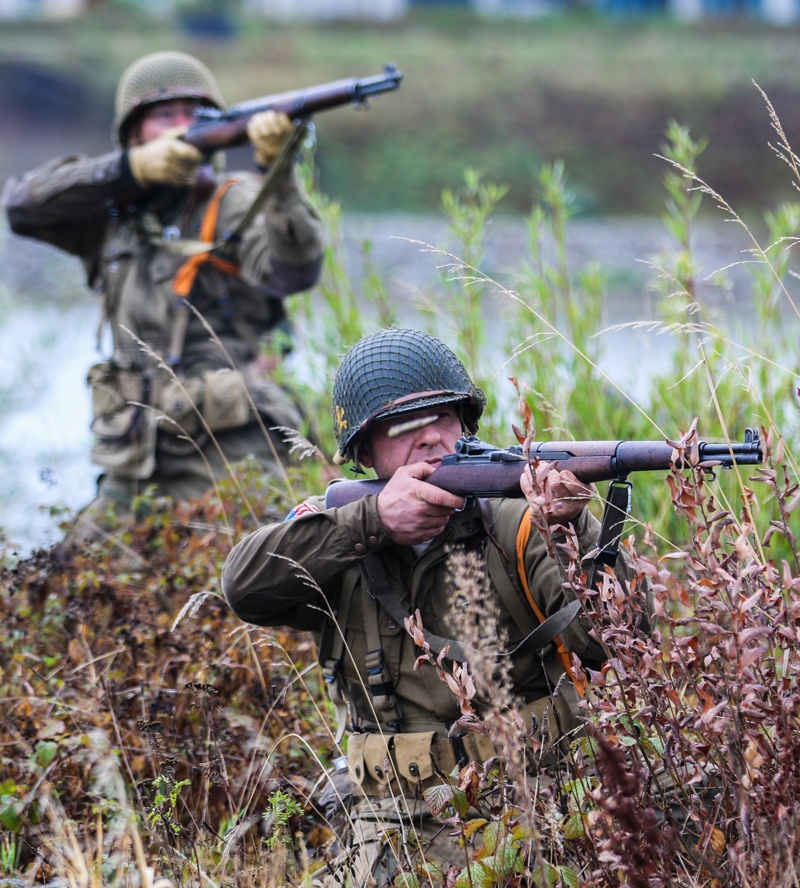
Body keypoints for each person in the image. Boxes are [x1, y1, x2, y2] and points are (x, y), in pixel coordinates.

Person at [222, 327, 636, 885]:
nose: (427, 439)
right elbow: (243, 585)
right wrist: (372, 523)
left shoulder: (519, 524)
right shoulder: (340, 533)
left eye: (440, 418)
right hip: (388, 821)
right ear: (364, 453)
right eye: (399, 426)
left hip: (529, 806)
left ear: (466, 424)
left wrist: (570, 530)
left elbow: (619, 643)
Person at [2, 51, 324, 547]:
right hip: (133, 453)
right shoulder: (111, 215)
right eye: (164, 116)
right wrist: (129, 170)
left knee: (257, 573)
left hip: (230, 447)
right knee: (68, 582)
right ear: (133, 134)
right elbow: (23, 207)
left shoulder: (236, 201)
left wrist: (280, 175)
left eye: (196, 114)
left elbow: (295, 270)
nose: (182, 126)